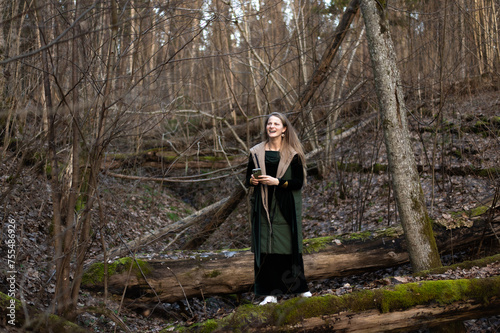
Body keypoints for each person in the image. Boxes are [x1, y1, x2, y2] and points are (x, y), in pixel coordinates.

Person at [245, 112, 312, 305]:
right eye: (269, 123)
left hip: (285, 206)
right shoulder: (256, 152)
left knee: (291, 246)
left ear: (284, 130)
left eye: (276, 124)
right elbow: (248, 180)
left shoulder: (293, 154)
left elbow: (298, 183)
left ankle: (301, 289)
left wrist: (278, 182)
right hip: (263, 206)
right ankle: (270, 294)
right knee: (266, 249)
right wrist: (253, 180)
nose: (271, 126)